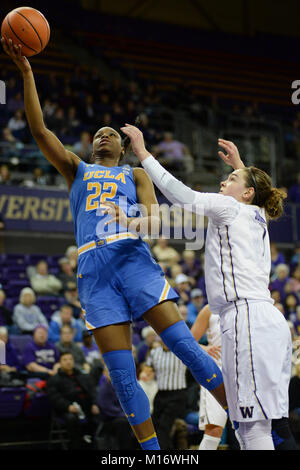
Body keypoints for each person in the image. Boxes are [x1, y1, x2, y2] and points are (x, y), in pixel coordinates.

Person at [2, 39, 227, 451]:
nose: (104, 135)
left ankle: (250, 429)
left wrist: (133, 220)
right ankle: (153, 454)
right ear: (92, 146)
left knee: (185, 347)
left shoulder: (136, 174)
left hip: (133, 259)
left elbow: (156, 220)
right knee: (123, 377)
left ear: (123, 147)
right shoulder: (76, 169)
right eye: (98, 133)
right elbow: (39, 129)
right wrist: (28, 74)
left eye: (111, 134)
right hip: (94, 272)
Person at [123, 122, 295, 450]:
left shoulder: (230, 208)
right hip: (264, 320)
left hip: (246, 319)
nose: (222, 180)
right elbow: (254, 190)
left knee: (252, 428)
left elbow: (180, 195)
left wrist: (144, 154)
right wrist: (240, 166)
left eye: (230, 179)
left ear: (245, 193)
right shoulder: (257, 214)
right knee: (254, 427)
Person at [191, 304, 227, 450]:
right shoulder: (209, 309)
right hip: (215, 372)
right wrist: (206, 348)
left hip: (240, 372)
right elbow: (189, 341)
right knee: (214, 429)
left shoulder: (244, 302)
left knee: (248, 427)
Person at [46, 351, 100, 450]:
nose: (68, 362)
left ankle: (98, 444)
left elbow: (93, 391)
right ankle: (76, 446)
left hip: (86, 406)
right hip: (67, 409)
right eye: (65, 360)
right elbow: (54, 397)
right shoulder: (54, 379)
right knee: (71, 419)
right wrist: (67, 406)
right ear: (60, 363)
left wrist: (95, 404)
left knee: (101, 413)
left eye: (70, 359)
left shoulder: (83, 376)